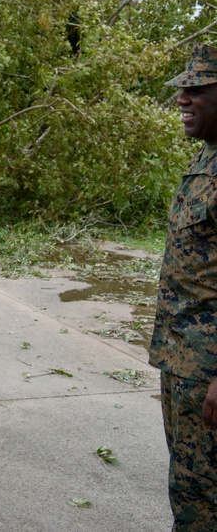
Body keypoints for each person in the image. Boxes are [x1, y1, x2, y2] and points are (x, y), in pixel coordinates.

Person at [151, 42, 217, 531]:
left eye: (197, 89)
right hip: (183, 363)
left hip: (209, 370)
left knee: (205, 500)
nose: (182, 99)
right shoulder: (206, 159)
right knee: (189, 488)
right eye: (182, 89)